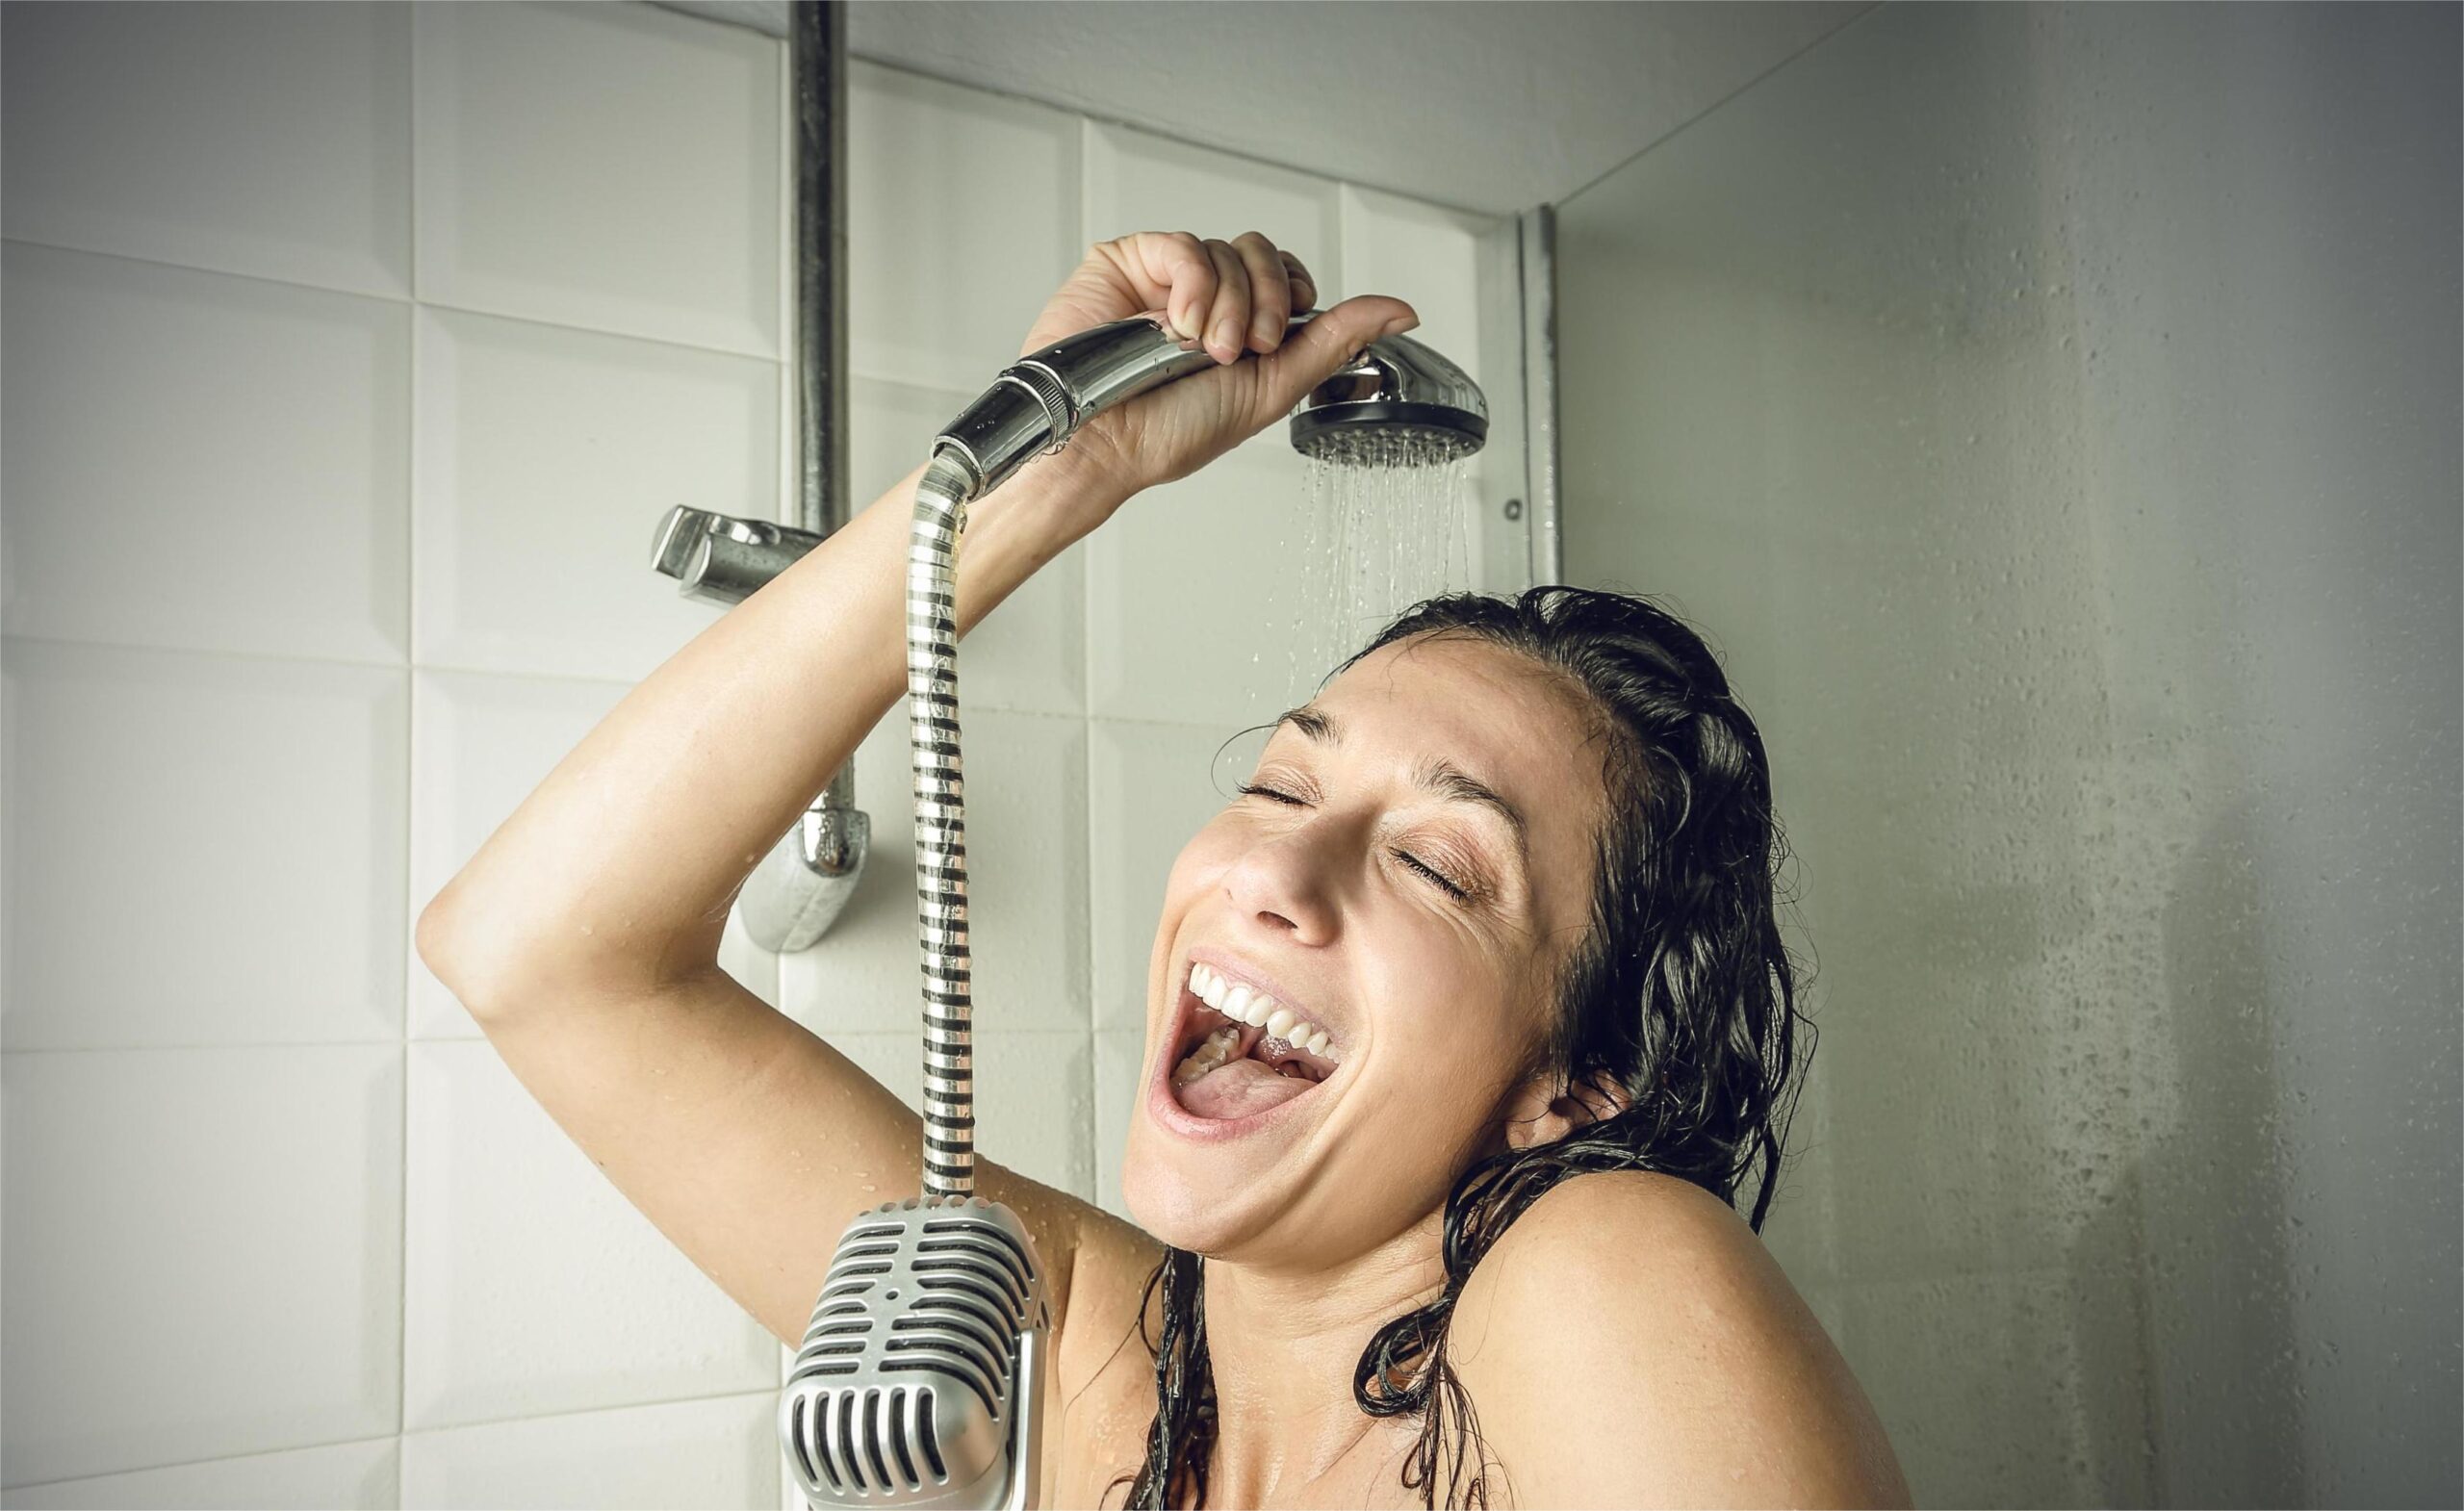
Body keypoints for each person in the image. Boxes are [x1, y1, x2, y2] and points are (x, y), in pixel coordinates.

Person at [418, 230, 1912, 1510]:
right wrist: (1048, 480)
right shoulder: (1070, 1354)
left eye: (1441, 867)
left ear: (1574, 1084)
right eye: (1280, 781)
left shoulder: (1601, 1271)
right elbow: (535, 950)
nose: (1279, 867)